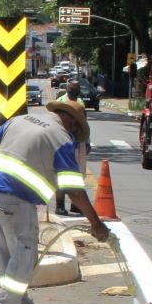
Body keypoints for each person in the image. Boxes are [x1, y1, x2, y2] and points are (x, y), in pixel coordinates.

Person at [0, 99, 111, 304]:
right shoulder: (61, 138)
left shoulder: (19, 121)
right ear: (72, 122)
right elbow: (74, 191)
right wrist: (95, 223)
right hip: (18, 201)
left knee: (9, 259)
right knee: (24, 260)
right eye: (77, 130)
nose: (75, 134)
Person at [54, 79, 89, 216]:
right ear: (67, 90)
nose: (74, 92)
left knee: (79, 173)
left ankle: (76, 205)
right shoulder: (61, 101)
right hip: (64, 139)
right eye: (72, 89)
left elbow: (84, 123)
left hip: (78, 140)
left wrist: (86, 141)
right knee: (62, 173)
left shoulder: (80, 103)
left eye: (76, 90)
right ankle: (60, 205)